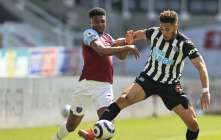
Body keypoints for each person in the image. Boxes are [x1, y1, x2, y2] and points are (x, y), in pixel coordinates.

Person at [81, 9, 211, 140]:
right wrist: (130, 38)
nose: (164, 32)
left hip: (170, 86)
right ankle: (94, 133)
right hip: (148, 78)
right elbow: (136, 35)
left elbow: (201, 66)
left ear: (176, 26)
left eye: (167, 29)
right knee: (123, 99)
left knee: (193, 124)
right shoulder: (154, 32)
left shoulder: (185, 44)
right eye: (162, 28)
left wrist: (205, 90)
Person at [53, 7, 140, 140]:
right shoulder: (89, 33)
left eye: (102, 21)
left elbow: (121, 56)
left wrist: (128, 43)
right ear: (91, 23)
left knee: (107, 126)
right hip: (87, 84)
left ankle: (91, 135)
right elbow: (101, 51)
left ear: (106, 22)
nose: (100, 24)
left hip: (104, 87)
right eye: (96, 21)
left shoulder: (107, 37)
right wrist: (127, 46)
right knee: (71, 126)